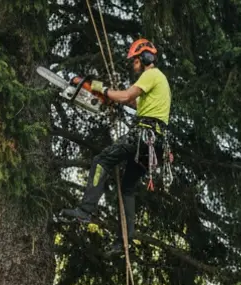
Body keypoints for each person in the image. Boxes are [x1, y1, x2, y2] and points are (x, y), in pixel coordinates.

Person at [60, 38, 171, 255]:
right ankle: (125, 241)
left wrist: (103, 87)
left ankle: (85, 210)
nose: (134, 65)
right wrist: (104, 94)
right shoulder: (159, 83)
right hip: (155, 144)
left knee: (101, 161)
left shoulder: (151, 74)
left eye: (136, 61)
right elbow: (133, 102)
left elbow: (127, 95)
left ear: (145, 57)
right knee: (127, 187)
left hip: (143, 136)